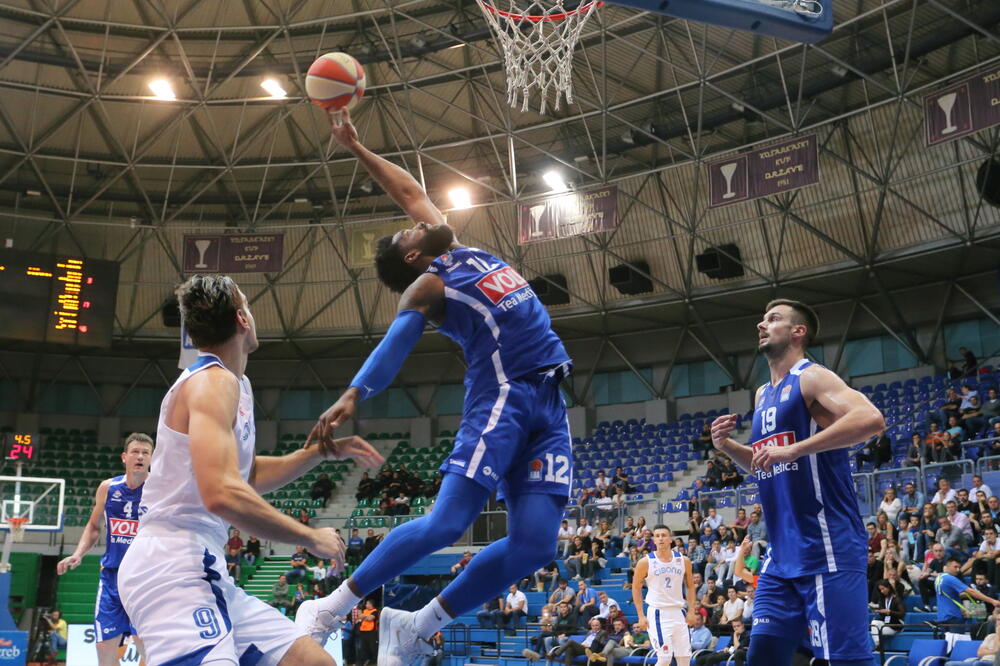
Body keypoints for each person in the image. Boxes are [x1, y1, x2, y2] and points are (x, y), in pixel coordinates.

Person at [300, 111, 575, 665]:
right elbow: (398, 341)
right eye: (412, 229)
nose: (418, 218)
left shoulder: (453, 250)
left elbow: (406, 188)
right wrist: (355, 393)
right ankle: (330, 607)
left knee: (536, 544)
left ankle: (417, 625)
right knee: (449, 522)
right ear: (412, 256)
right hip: (503, 398)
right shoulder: (429, 285)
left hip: (548, 401)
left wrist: (356, 146)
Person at [116, 275, 382, 666]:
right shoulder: (211, 382)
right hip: (172, 563)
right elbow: (222, 492)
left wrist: (317, 455)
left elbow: (245, 473)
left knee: (314, 663)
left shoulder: (238, 384)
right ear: (243, 319)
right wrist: (308, 536)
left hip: (206, 566)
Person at [710, 299, 885, 666]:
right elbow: (763, 466)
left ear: (797, 332)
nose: (762, 325)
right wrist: (728, 447)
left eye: (772, 319)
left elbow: (870, 419)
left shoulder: (811, 376)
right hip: (781, 553)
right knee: (763, 655)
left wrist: (795, 450)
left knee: (845, 661)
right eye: (762, 319)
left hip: (826, 545)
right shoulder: (762, 393)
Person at [56, 433, 153, 666]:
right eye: (135, 452)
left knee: (144, 643)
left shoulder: (160, 489)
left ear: (151, 458)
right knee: (103, 645)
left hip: (146, 577)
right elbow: (93, 525)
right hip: (112, 576)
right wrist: (78, 554)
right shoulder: (108, 488)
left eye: (145, 452)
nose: (140, 456)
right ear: (124, 457)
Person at [632, 524, 697, 666]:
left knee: (684, 659)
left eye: (664, 535)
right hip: (657, 613)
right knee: (664, 659)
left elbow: (690, 586)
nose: (660, 538)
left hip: (679, 612)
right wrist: (640, 616)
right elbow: (636, 587)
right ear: (654, 540)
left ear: (670, 539)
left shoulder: (683, 560)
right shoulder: (645, 562)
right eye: (657, 536)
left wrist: (692, 611)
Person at [935, 557, 1000, 634]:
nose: (958, 570)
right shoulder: (950, 578)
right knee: (956, 643)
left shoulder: (938, 578)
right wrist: (992, 601)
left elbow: (950, 595)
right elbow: (971, 591)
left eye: (959, 567)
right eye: (955, 567)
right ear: (946, 567)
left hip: (942, 615)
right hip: (953, 616)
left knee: (946, 643)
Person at [868, 579, 904, 650]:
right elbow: (884, 616)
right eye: (880, 590)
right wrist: (880, 612)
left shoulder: (896, 599)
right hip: (886, 623)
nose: (882, 591)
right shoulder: (882, 600)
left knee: (877, 631)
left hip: (895, 625)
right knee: (874, 622)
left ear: (888, 587)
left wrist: (889, 611)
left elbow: (902, 614)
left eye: (883, 589)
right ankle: (878, 645)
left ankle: (879, 646)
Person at [356, 600, 379, 666]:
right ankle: (363, 661)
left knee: (373, 647)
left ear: (371, 604)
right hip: (363, 631)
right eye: (366, 604)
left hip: (371, 632)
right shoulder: (365, 610)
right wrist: (366, 616)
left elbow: (370, 618)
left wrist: (363, 616)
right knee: (363, 648)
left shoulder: (375, 611)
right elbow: (359, 617)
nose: (366, 605)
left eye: (367, 604)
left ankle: (375, 661)